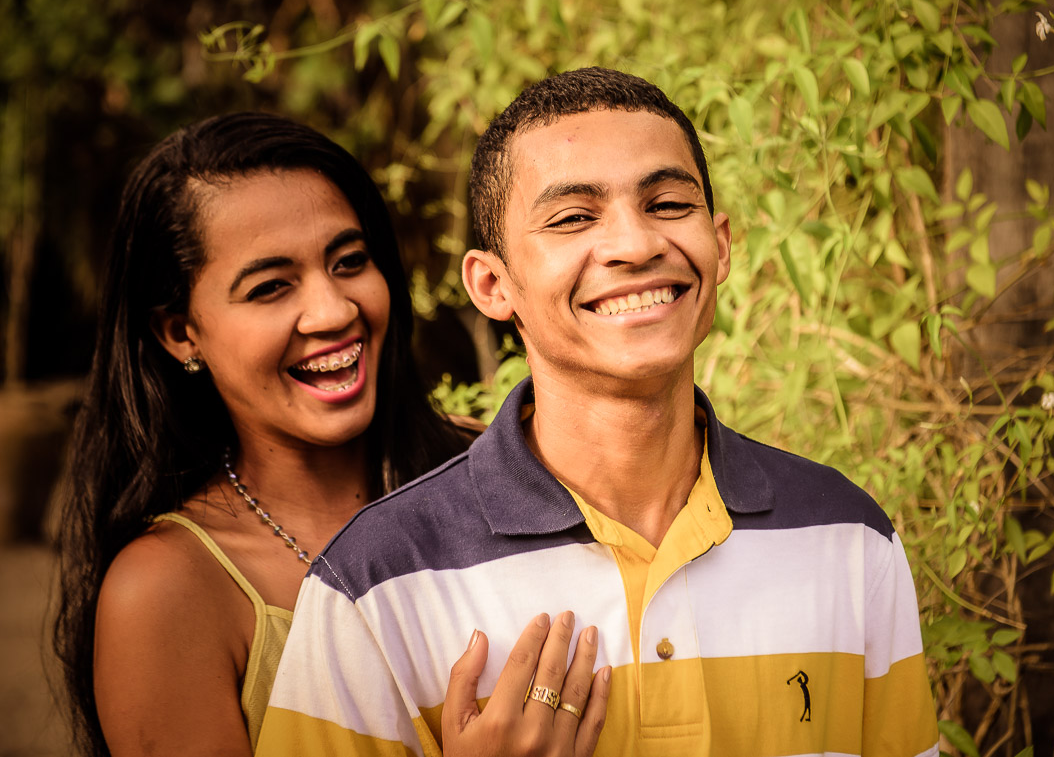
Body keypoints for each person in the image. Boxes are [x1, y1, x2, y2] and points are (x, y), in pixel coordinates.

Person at [257, 68, 939, 756]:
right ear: (493, 284)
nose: (636, 245)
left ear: (721, 244)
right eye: (574, 217)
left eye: (669, 204)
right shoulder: (377, 583)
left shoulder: (850, 539)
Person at [53, 112, 608, 757]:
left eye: (349, 262)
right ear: (182, 333)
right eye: (269, 288)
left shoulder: (500, 464)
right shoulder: (168, 591)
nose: (334, 311)